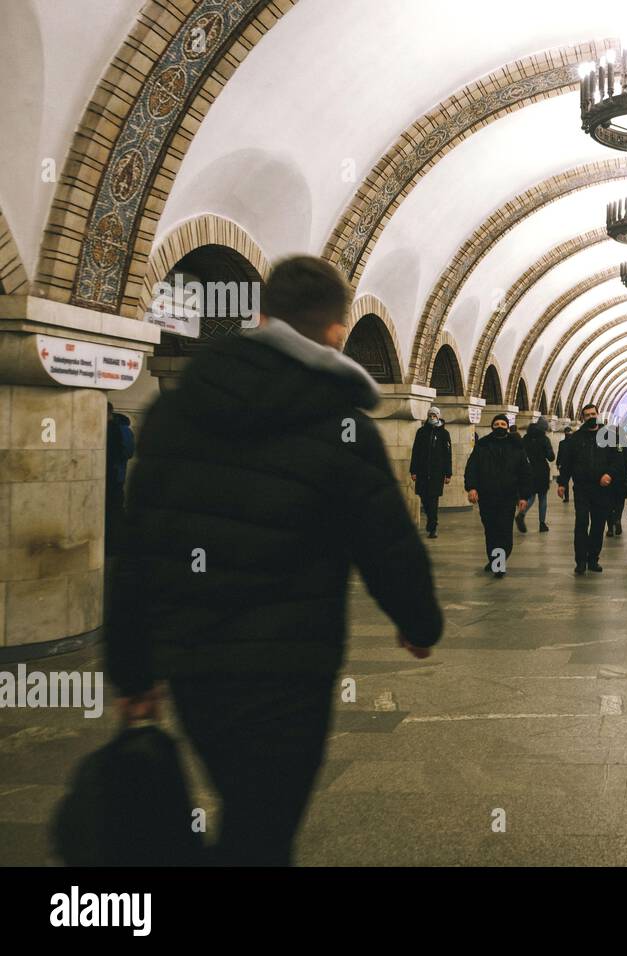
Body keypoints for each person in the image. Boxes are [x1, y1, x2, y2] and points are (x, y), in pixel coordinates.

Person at [105, 255, 442, 866]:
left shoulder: (176, 412)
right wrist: (418, 622)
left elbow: (138, 546)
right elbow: (385, 539)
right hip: (291, 664)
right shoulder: (341, 425)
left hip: (193, 662)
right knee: (263, 824)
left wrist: (132, 669)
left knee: (245, 809)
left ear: (261, 315)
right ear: (339, 330)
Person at [464, 413, 531, 577]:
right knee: (491, 531)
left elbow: (525, 474)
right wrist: (471, 488)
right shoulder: (483, 445)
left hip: (508, 497)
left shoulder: (517, 447)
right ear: (492, 426)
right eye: (497, 424)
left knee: (504, 531)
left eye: (503, 424)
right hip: (487, 496)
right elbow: (471, 468)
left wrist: (523, 496)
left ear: (507, 427)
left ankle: (498, 561)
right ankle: (496, 562)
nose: (499, 426)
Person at [557, 404, 621, 574]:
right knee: (581, 523)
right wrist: (562, 483)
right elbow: (567, 463)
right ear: (583, 417)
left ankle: (593, 559)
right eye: (587, 415)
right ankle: (580, 561)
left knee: (598, 525)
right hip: (582, 488)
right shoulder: (576, 439)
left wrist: (609, 474)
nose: (591, 417)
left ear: (598, 415)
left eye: (593, 414)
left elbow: (617, 461)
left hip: (602, 489)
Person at [409, 406, 452, 538]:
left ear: (438, 416)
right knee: (424, 497)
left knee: (433, 499)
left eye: (434, 415)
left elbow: (448, 454)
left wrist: (448, 473)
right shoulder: (421, 432)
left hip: (436, 473)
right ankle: (431, 520)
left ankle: (432, 526)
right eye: (430, 415)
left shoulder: (444, 434)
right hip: (422, 472)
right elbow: (415, 451)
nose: (432, 417)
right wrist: (413, 470)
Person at [104, 403, 135, 556]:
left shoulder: (120, 430)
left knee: (113, 510)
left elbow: (127, 452)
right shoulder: (123, 430)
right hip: (116, 475)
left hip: (114, 476)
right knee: (115, 509)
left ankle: (114, 546)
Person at [519, 419, 555, 533]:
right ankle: (542, 524)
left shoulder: (525, 438)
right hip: (542, 471)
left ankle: (521, 514)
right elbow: (551, 457)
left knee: (531, 496)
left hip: (528, 470)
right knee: (542, 497)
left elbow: (521, 454)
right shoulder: (544, 440)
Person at [556, 426, 573, 503]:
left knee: (564, 482)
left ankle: (566, 497)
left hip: (564, 466)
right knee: (575, 481)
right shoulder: (574, 442)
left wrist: (558, 463)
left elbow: (559, 454)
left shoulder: (562, 443)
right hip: (572, 465)